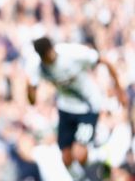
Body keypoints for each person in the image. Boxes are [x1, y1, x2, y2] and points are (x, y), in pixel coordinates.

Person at [27, 36, 128, 179]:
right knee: (66, 159)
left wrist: (119, 90)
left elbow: (104, 61)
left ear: (52, 50)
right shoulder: (37, 67)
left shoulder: (72, 53)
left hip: (88, 107)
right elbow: (31, 99)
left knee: (79, 154)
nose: (48, 60)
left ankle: (102, 158)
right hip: (65, 108)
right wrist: (29, 87)